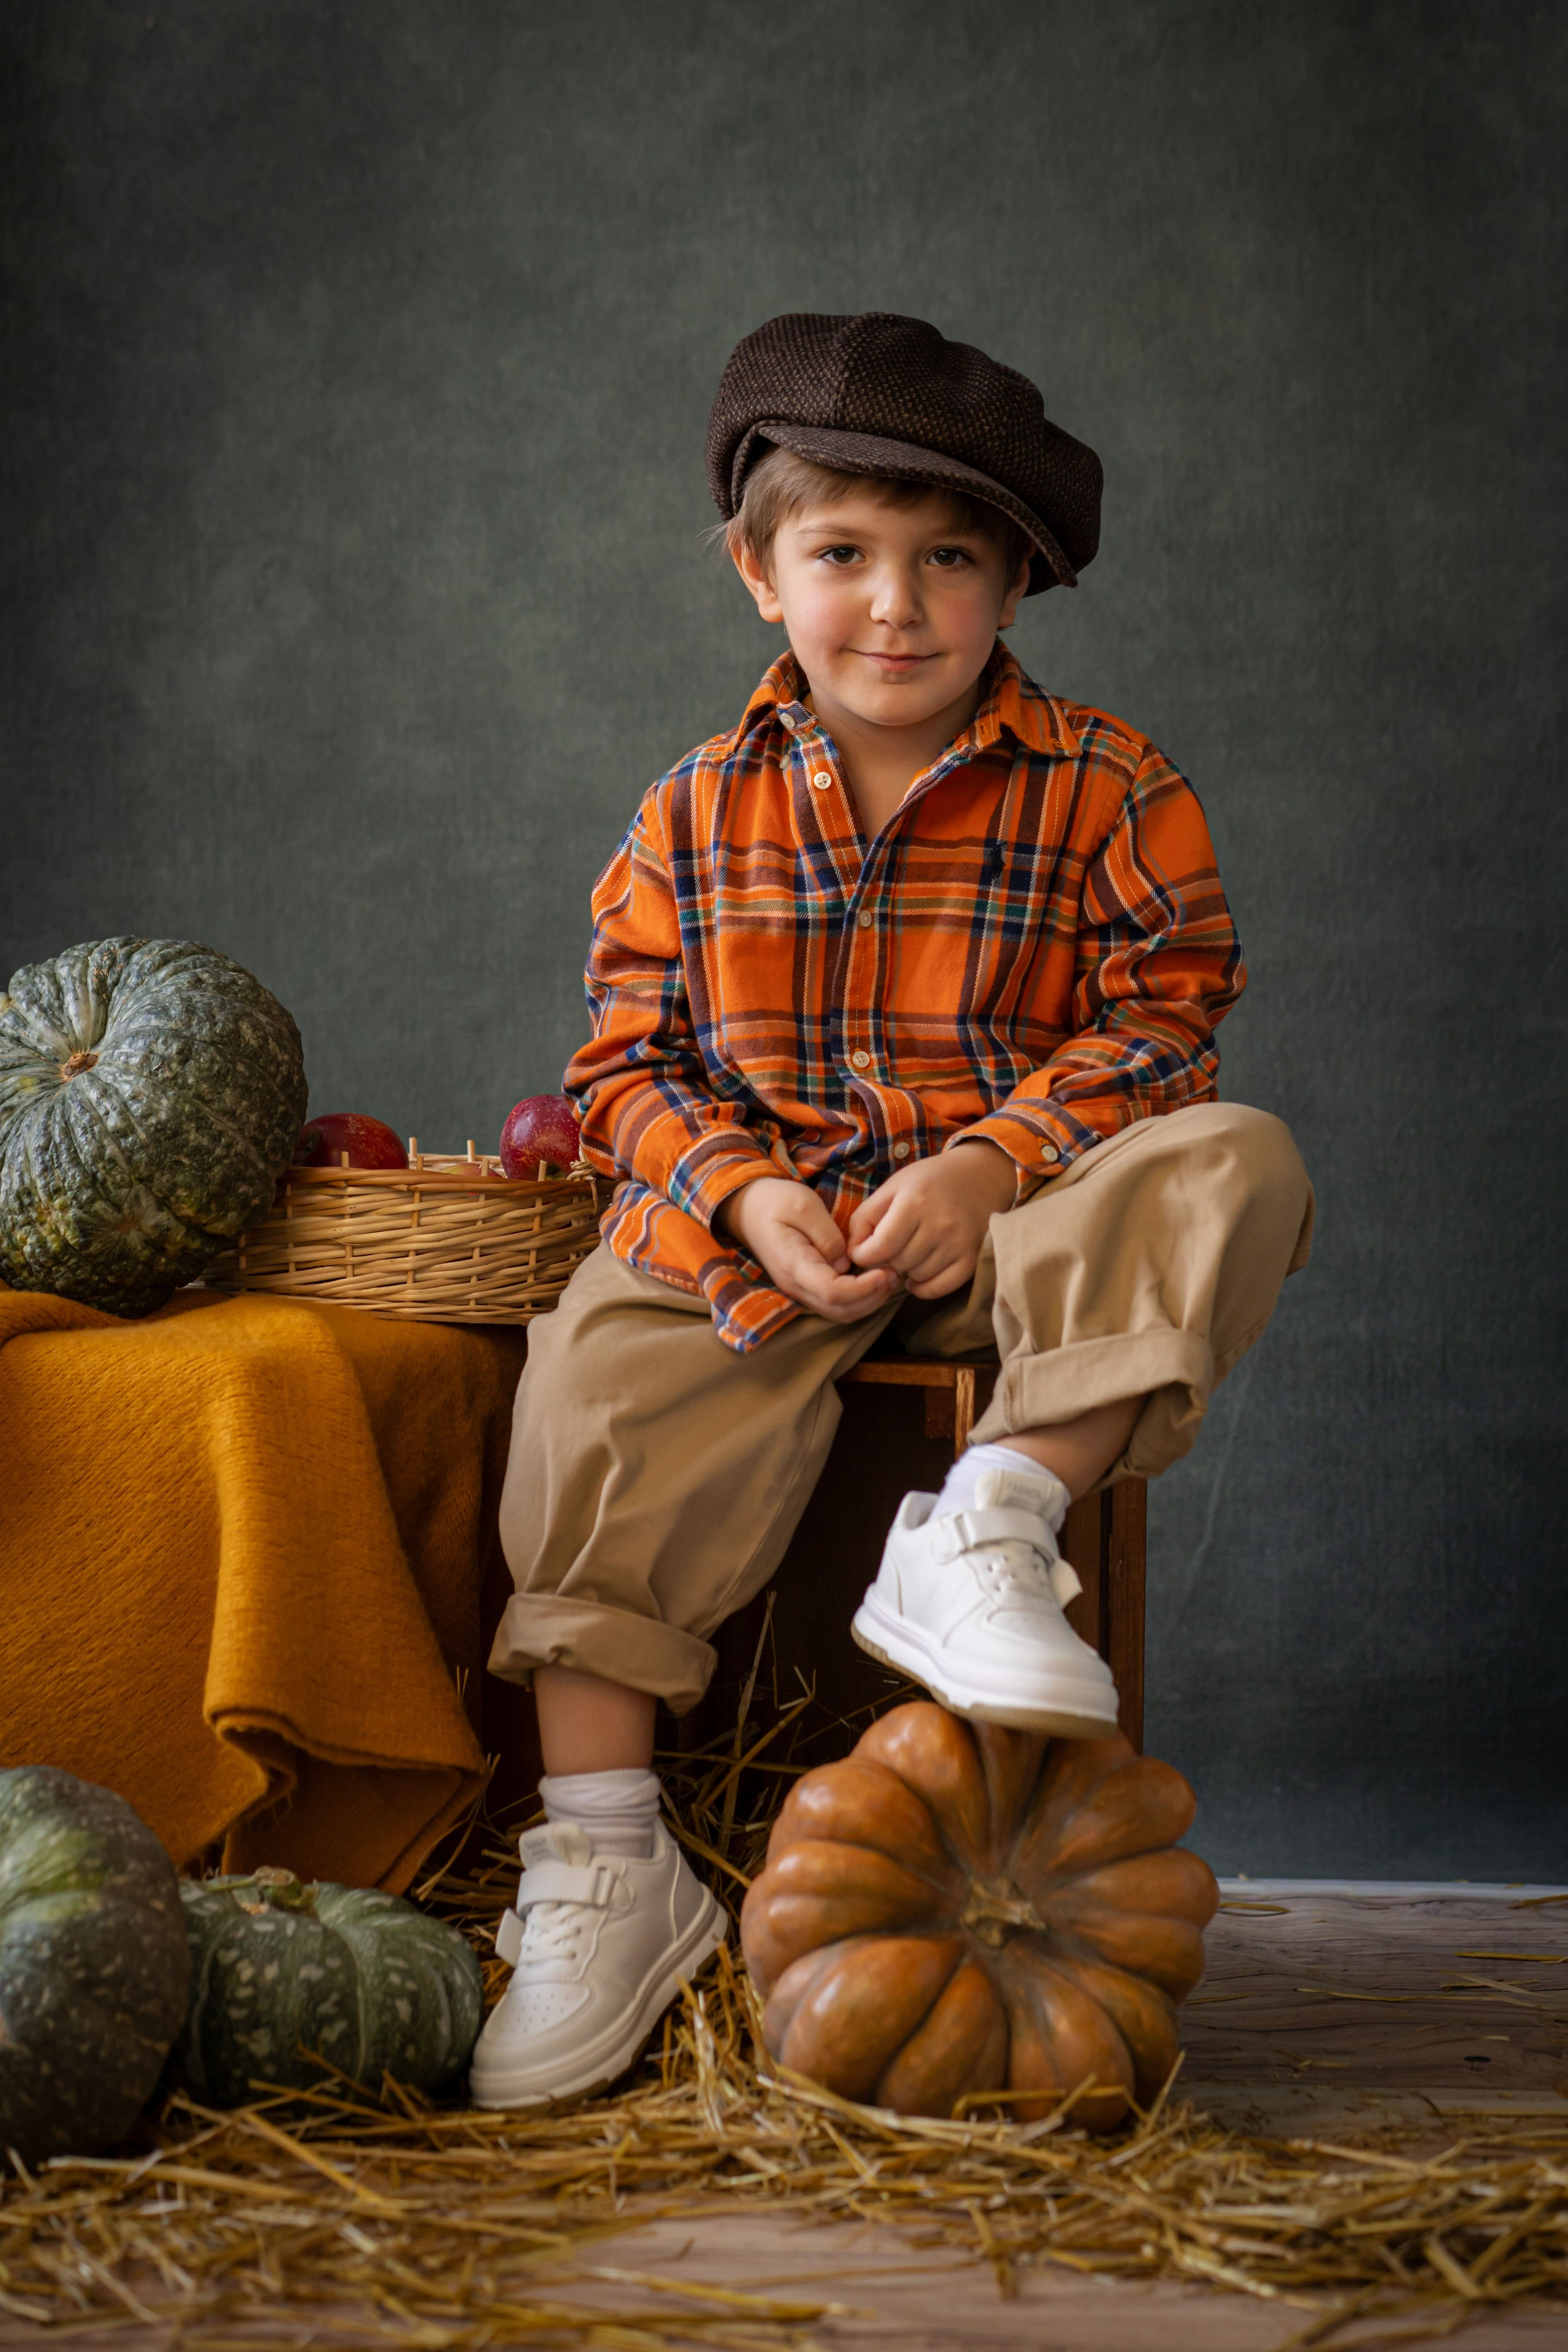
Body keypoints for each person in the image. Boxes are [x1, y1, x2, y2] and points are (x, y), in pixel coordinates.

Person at [469, 312, 1314, 2109]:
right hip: (769, 1239)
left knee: (1237, 1160)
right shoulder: (693, 810)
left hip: (1016, 1241)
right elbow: (623, 1066)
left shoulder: (1112, 784)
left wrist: (996, 1159)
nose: (897, 605)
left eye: (950, 561)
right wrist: (746, 1191)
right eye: (843, 554)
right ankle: (611, 1858)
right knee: (591, 1380)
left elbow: (1170, 1014)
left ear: (1015, 585)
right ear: (758, 572)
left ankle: (990, 1524)